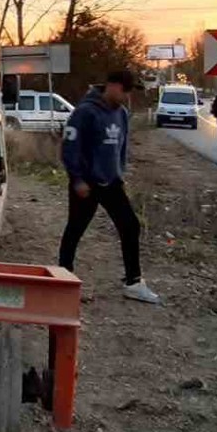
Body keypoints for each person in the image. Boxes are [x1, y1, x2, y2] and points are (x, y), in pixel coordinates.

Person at [59, 70, 161, 304]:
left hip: (111, 182)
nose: (126, 96)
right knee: (75, 229)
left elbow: (121, 148)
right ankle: (64, 277)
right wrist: (77, 179)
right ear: (112, 86)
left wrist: (120, 173)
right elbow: (69, 147)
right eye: (124, 90)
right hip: (86, 183)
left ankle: (133, 282)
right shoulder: (84, 112)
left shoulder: (122, 114)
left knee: (130, 226)